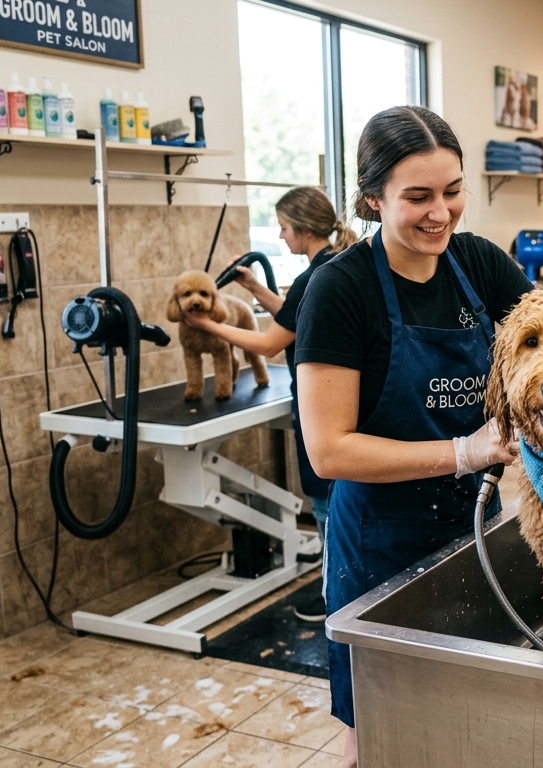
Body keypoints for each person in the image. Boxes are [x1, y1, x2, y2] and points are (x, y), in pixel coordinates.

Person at [293, 105, 543, 767]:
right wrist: (464, 451)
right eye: (418, 197)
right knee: (378, 729)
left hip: (469, 524)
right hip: (380, 538)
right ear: (372, 198)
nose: (440, 212)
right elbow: (329, 450)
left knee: (466, 720)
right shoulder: (338, 291)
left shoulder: (475, 264)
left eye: (452, 191)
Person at [181, 186, 357, 623]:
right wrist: (256, 287)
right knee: (337, 501)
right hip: (344, 400)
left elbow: (270, 342)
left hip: (320, 404)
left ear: (300, 229)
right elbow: (297, 317)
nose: (279, 237)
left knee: (324, 506)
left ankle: (335, 596)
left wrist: (207, 324)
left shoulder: (314, 276)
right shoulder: (332, 266)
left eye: (283, 228)